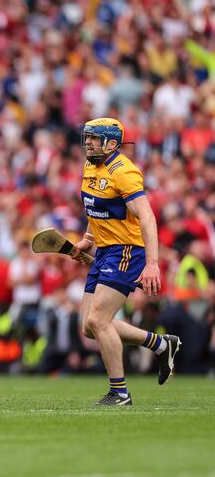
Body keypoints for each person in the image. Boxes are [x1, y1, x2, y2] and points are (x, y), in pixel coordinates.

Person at [71, 118, 181, 406]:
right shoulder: (90, 166)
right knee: (88, 326)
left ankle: (119, 393)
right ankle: (161, 344)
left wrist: (153, 263)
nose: (89, 143)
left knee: (98, 319)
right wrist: (87, 238)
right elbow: (94, 207)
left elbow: (147, 216)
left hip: (127, 250)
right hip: (105, 250)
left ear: (111, 143)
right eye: (88, 138)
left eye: (95, 139)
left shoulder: (125, 172)